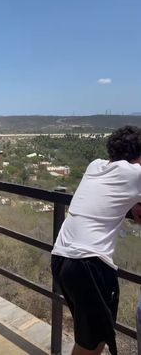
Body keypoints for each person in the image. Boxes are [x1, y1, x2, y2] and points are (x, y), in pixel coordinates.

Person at [51, 125, 141, 355]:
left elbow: (110, 194)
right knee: (92, 343)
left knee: (90, 337)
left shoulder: (95, 166)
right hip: (89, 265)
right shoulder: (135, 174)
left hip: (61, 258)